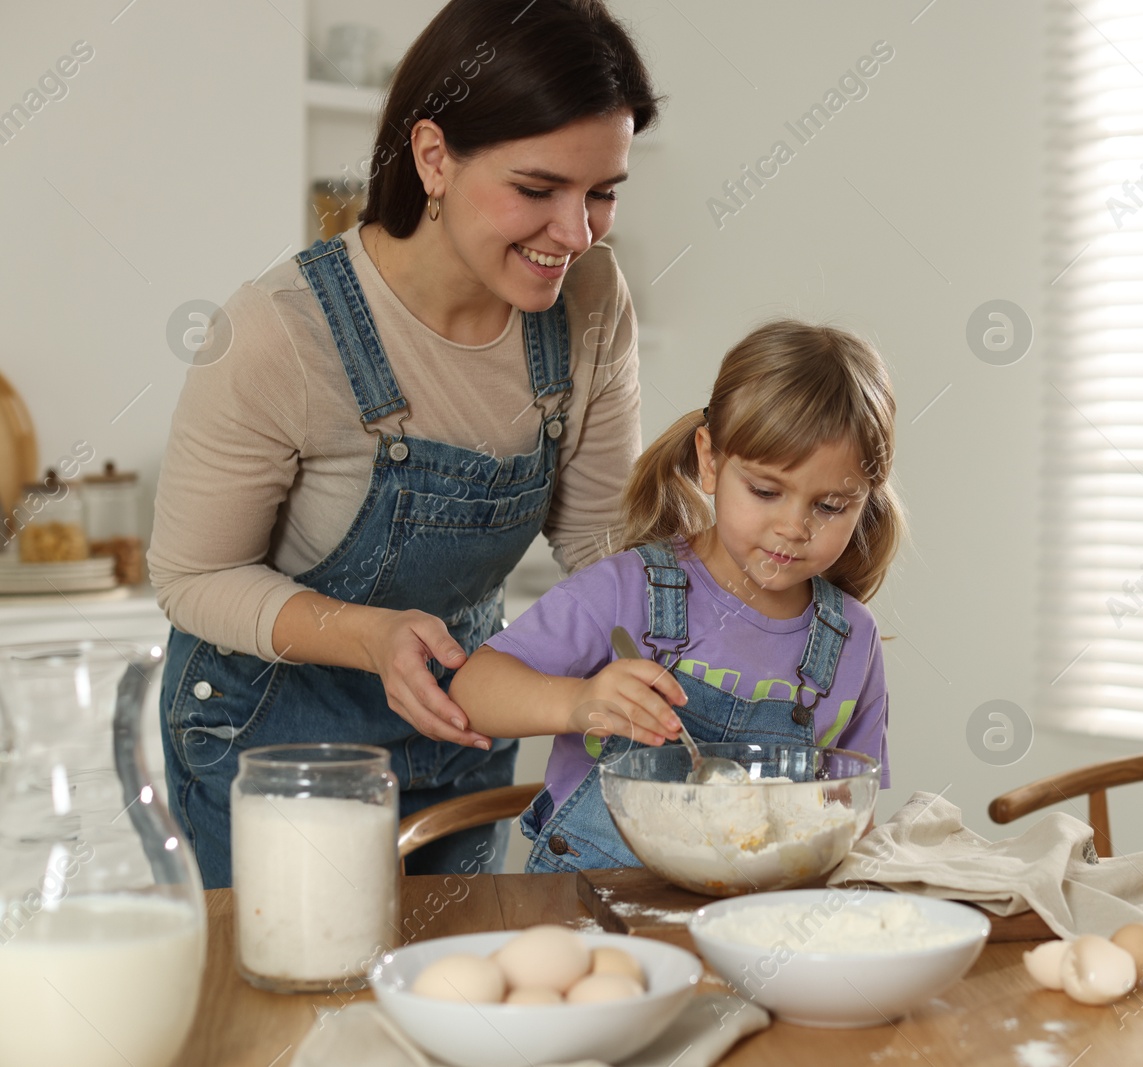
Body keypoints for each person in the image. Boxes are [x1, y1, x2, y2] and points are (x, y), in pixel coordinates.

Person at [149, 0, 661, 889]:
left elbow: (599, 546)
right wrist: (374, 636)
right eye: (538, 190)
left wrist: (729, 620)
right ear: (434, 157)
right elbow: (192, 578)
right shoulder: (280, 333)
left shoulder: (592, 299)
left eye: (603, 192)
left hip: (457, 728)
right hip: (269, 742)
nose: (576, 234)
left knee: (445, 1001)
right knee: (293, 1013)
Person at [450, 320, 905, 871]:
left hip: (752, 931)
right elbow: (473, 691)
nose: (793, 526)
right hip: (591, 914)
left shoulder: (852, 640)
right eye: (765, 491)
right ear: (710, 461)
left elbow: (849, 820)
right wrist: (575, 702)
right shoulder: (627, 590)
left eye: (830, 506)